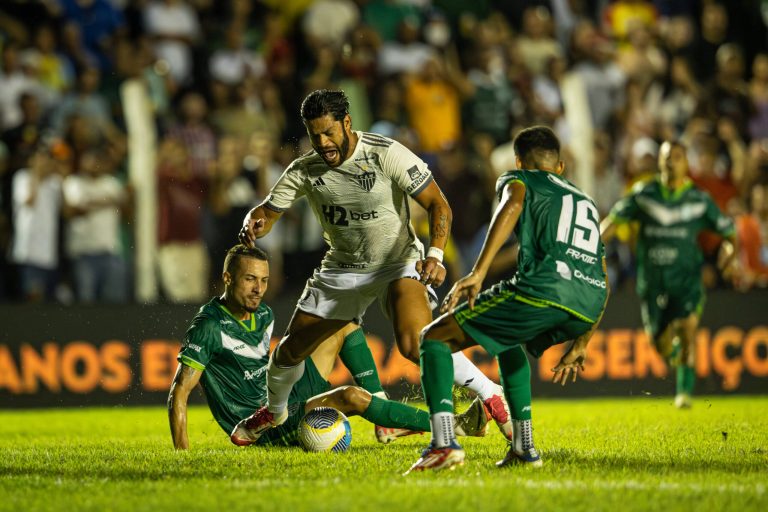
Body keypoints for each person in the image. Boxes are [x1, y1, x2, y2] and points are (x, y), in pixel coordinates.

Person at [232, 89, 512, 445]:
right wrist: (253, 220)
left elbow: (438, 205)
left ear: (347, 123)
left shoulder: (385, 153)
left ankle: (491, 392)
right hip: (342, 269)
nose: (323, 142)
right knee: (288, 352)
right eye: (315, 135)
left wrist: (436, 254)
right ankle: (274, 411)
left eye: (329, 132)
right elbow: (267, 213)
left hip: (398, 262)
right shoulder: (305, 169)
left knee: (417, 343)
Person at [405, 126, 610, 473]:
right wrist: (583, 340)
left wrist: (478, 272)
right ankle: (524, 447)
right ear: (560, 166)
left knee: (433, 338)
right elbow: (600, 269)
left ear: (518, 160)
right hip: (589, 303)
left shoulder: (518, 178)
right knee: (507, 343)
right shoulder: (585, 201)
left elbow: (513, 203)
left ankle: (443, 444)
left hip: (544, 289)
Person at [167, 244, 489, 449]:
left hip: (282, 396)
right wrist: (182, 453)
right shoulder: (209, 326)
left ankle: (384, 421)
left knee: (344, 320)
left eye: (263, 281)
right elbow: (179, 392)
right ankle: (456, 425)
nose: (259, 289)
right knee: (350, 396)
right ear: (227, 278)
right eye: (250, 279)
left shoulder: (262, 313)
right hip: (261, 425)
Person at [601, 140, 738, 409]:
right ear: (660, 162)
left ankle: (684, 393)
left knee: (687, 329)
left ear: (686, 162)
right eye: (666, 157)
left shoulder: (699, 199)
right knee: (661, 345)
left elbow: (728, 232)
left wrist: (729, 252)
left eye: (677, 156)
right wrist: (593, 243)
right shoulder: (643, 194)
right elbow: (614, 222)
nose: (670, 162)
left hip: (686, 279)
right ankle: (679, 356)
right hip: (652, 282)